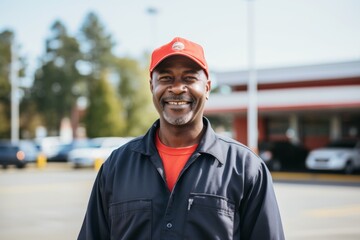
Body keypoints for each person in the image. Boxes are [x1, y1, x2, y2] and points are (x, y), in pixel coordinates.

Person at [78, 37, 285, 240]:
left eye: (189, 78)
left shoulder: (246, 168)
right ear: (152, 87)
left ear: (207, 87)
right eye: (166, 78)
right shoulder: (116, 167)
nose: (177, 88)